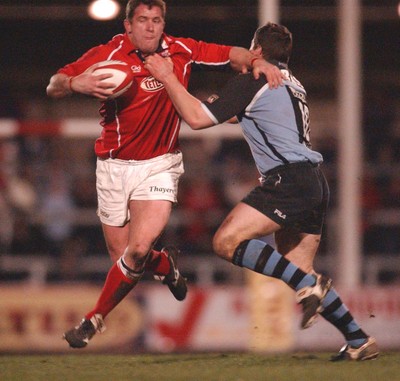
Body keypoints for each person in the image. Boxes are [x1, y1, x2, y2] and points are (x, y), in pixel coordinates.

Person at [46, 0, 284, 348]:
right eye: (142, 20)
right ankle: (166, 266)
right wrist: (73, 84)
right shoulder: (107, 54)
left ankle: (92, 320)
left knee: (138, 250)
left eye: (156, 20)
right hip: (112, 167)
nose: (150, 27)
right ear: (128, 26)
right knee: (125, 259)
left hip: (160, 164)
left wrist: (256, 59)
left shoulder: (181, 50)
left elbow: (232, 55)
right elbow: (53, 84)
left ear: (162, 24)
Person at [144, 22, 379, 361]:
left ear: (256, 51)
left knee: (226, 241)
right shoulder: (290, 84)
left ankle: (306, 288)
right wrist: (221, 103)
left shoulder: (254, 80)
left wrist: (168, 77)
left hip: (288, 180)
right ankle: (358, 339)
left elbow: (196, 119)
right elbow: (248, 115)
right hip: (313, 181)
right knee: (301, 269)